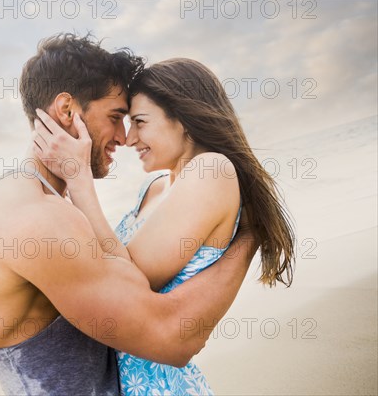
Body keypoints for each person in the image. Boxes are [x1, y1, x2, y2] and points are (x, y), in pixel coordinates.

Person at [0, 33, 259, 396]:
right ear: (67, 110)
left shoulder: (32, 202)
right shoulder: (35, 219)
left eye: (134, 120)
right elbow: (171, 337)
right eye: (116, 117)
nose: (123, 137)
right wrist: (248, 238)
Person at [32, 57, 295, 395]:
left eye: (140, 122)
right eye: (126, 122)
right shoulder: (155, 187)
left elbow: (130, 280)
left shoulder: (211, 172)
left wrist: (80, 181)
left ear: (184, 119)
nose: (129, 139)